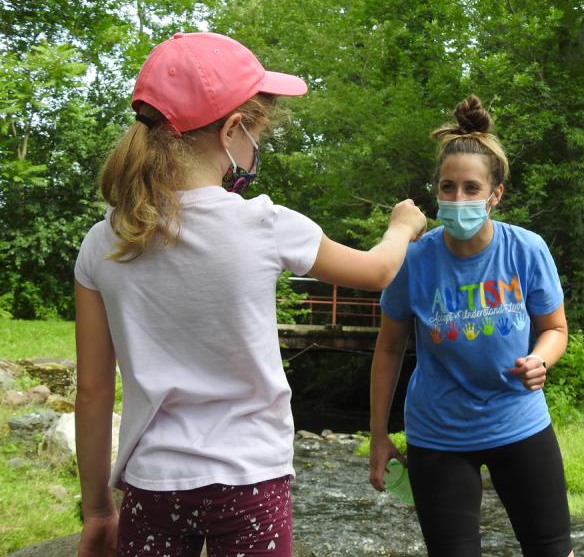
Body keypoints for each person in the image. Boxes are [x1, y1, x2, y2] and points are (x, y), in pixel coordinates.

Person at [74, 31, 427, 557]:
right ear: (233, 129)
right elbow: (377, 271)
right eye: (257, 130)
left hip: (153, 483)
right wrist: (402, 226)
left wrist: (100, 510)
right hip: (250, 481)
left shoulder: (105, 239)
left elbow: (94, 391)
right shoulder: (265, 224)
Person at [368, 95, 574, 557]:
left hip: (518, 422)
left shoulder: (526, 249)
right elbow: (388, 350)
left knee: (552, 551)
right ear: (435, 191)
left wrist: (541, 358)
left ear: (494, 194)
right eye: (447, 187)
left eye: (470, 188)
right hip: (438, 434)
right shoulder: (413, 259)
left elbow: (555, 328)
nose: (458, 199)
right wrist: (379, 436)